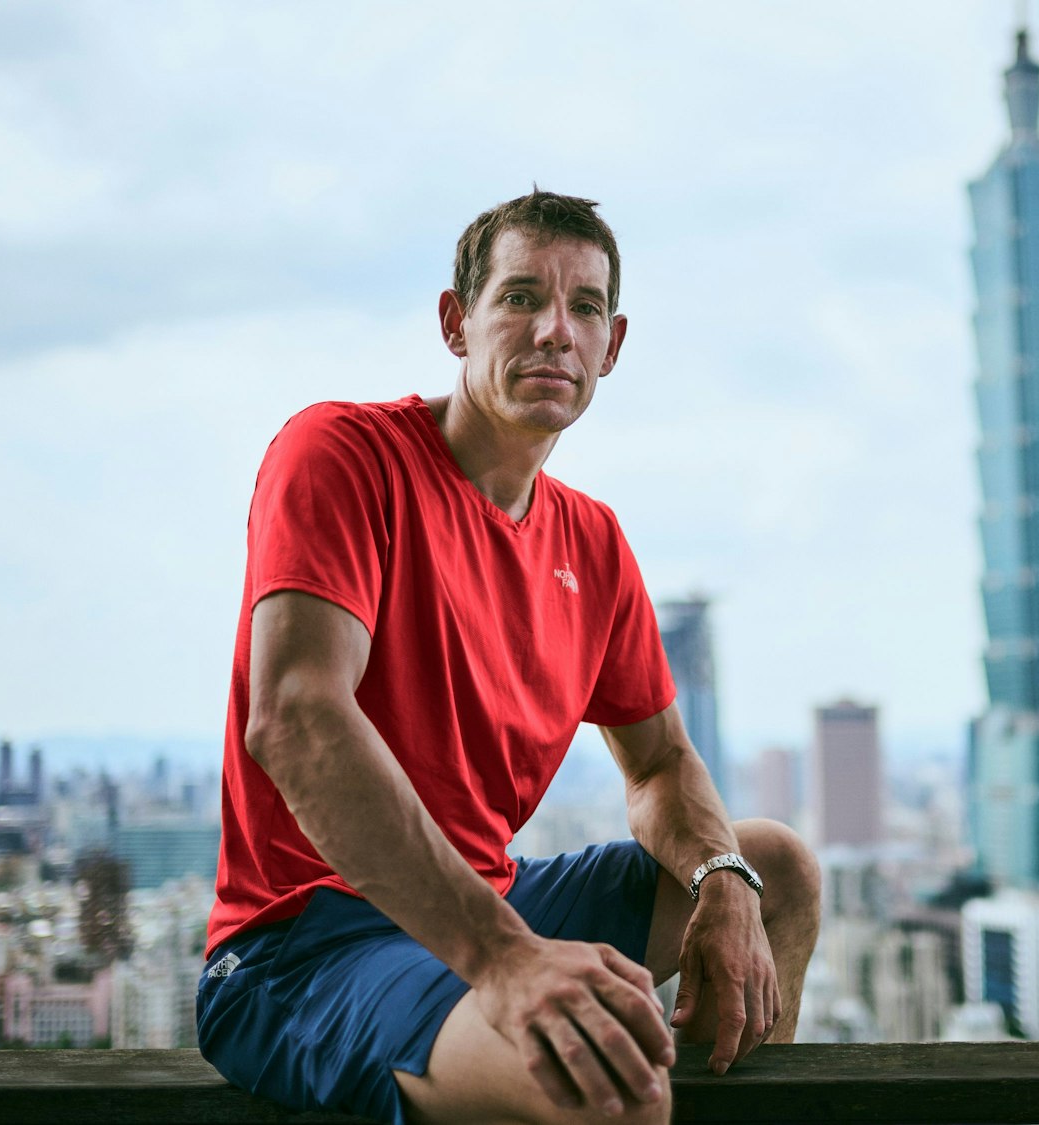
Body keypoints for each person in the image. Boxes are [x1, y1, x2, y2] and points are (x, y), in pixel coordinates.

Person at [195, 190, 821, 1125]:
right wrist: (505, 960)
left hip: (492, 904)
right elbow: (296, 718)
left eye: (585, 307)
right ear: (457, 322)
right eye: (522, 297)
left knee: (776, 868)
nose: (555, 331)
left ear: (613, 344)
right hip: (308, 943)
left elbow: (658, 764)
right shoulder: (342, 454)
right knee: (603, 1087)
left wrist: (722, 876)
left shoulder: (593, 540)